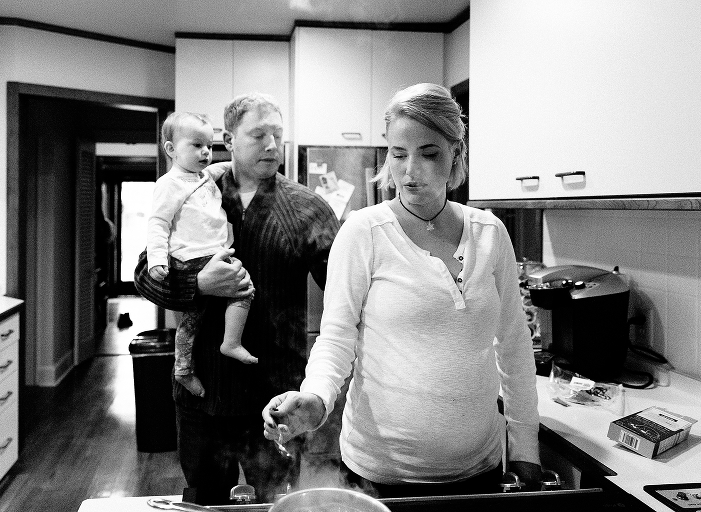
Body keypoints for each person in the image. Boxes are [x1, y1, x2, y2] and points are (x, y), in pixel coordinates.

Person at [262, 83, 543, 497]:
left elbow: (515, 347)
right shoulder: (364, 232)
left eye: (429, 153)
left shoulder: (490, 234)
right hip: (382, 476)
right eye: (399, 154)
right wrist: (316, 399)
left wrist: (526, 449)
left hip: (478, 471)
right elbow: (336, 337)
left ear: (456, 155)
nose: (410, 171)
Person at [133, 92, 340, 504]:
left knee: (278, 503)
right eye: (258, 135)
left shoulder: (308, 209)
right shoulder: (193, 190)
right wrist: (198, 284)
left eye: (278, 136)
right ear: (229, 139)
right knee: (203, 501)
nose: (271, 146)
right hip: (201, 395)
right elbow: (145, 277)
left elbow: (343, 295)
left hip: (277, 399)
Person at [147, 111, 256, 398]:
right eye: (196, 145)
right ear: (171, 150)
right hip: (191, 260)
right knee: (192, 320)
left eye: (208, 145)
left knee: (244, 291)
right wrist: (157, 259)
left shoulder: (203, 177)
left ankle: (230, 342)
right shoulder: (169, 184)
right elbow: (158, 223)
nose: (205, 151)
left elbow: (220, 168)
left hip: (216, 255)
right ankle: (182, 370)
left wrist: (240, 161)